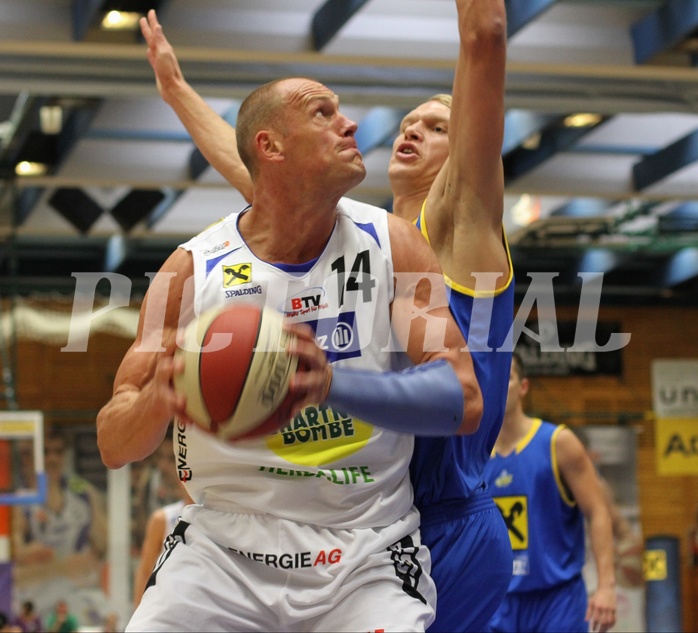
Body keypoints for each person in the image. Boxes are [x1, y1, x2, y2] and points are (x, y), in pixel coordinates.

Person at [139, 2, 513, 630]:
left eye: (440, 126)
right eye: (410, 120)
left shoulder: (460, 217)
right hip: (382, 521)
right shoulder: (374, 238)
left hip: (448, 517)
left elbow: (485, 41)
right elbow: (262, 178)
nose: (414, 129)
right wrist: (178, 94)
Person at [483, 351, 617, 633]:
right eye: (492, 376)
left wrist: (606, 586)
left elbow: (598, 511)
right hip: (497, 600)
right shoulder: (474, 455)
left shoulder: (559, 443)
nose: (498, 384)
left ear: (523, 387)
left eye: (507, 377)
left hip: (558, 600)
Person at [11, 427, 109, 625]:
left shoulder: (82, 491)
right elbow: (13, 559)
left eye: (58, 451)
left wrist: (93, 554)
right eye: (46, 452)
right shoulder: (19, 500)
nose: (52, 459)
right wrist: (32, 556)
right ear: (29, 457)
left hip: (73, 592)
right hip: (33, 596)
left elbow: (102, 546)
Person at [133, 476, 194, 607]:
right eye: (187, 478)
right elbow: (145, 571)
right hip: (168, 604)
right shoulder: (162, 519)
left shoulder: (220, 518)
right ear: (180, 481)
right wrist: (137, 616)